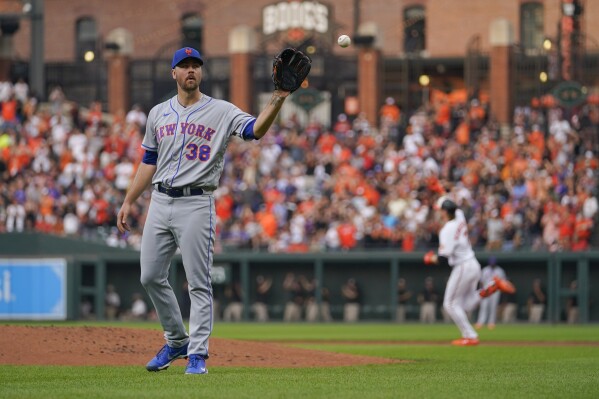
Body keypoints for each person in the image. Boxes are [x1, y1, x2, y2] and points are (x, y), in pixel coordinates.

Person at [117, 46, 309, 374]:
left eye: (196, 66)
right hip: (160, 201)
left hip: (196, 202)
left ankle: (198, 354)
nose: (190, 70)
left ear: (201, 73)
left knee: (198, 282)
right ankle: (177, 340)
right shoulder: (157, 113)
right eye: (184, 66)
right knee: (149, 275)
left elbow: (255, 131)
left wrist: (278, 97)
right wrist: (128, 200)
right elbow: (148, 162)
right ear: (174, 73)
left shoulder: (220, 110)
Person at [423, 197, 516, 346]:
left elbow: (442, 260)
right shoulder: (459, 216)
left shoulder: (447, 230)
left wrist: (429, 258)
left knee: (450, 304)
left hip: (463, 266)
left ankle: (470, 335)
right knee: (465, 305)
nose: (439, 213)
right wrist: (442, 192)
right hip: (473, 264)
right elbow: (455, 206)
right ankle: (493, 286)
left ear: (445, 212)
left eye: (440, 210)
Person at [475, 256, 507, 330]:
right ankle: (480, 322)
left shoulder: (500, 271)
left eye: (493, 263)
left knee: (493, 307)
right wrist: (482, 290)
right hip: (486, 290)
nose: (492, 264)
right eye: (491, 263)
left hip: (495, 291)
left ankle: (491, 322)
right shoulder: (485, 270)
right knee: (484, 306)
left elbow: (503, 282)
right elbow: (481, 281)